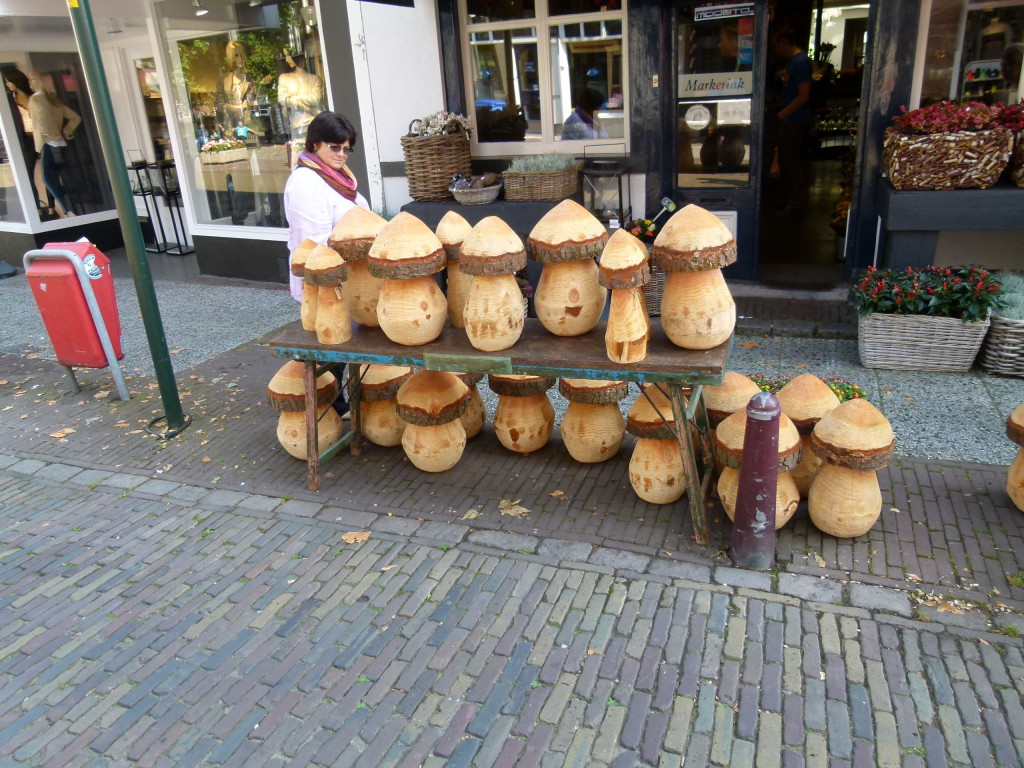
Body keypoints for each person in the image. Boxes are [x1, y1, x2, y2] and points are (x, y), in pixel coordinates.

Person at [283, 111, 369, 417]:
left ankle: (340, 399)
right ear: (315, 143)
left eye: (347, 149)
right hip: (327, 275)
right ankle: (331, 406)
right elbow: (314, 240)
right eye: (335, 147)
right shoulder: (307, 181)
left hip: (346, 273)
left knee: (341, 342)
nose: (342, 154)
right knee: (330, 343)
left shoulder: (336, 177)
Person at [27, 70, 80, 218]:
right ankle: (69, 208)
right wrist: (66, 131)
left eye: (33, 79)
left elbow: (39, 121)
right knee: (57, 177)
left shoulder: (35, 100)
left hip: (47, 142)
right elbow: (75, 117)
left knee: (48, 178)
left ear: (39, 82)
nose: (30, 83)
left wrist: (47, 134)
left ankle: (67, 209)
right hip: (59, 143)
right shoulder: (55, 101)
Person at [772, 27, 812, 215]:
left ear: (784, 42)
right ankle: (791, 200)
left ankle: (796, 202)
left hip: (795, 119)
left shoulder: (801, 62)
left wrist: (783, 113)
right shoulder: (794, 62)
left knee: (792, 161)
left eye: (775, 45)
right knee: (787, 160)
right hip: (791, 118)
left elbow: (804, 95)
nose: (775, 50)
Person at [3, 68, 51, 217]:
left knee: (49, 173)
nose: (7, 84)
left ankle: (52, 206)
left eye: (8, 81)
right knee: (27, 174)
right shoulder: (9, 100)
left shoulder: (35, 97)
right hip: (25, 139)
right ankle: (35, 207)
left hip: (43, 137)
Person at [277, 50, 325, 146]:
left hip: (315, 123)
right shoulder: (284, 78)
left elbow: (316, 99)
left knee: (317, 155)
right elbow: (282, 98)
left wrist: (294, 98)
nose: (286, 60)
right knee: (300, 154)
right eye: (286, 56)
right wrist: (305, 105)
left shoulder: (314, 79)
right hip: (297, 126)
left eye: (288, 55)